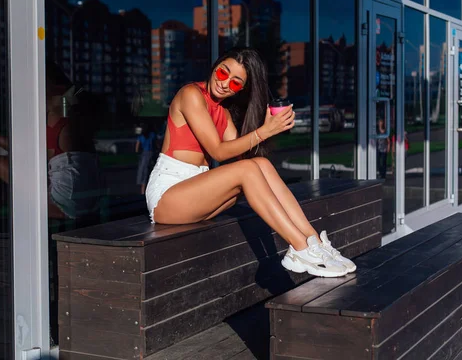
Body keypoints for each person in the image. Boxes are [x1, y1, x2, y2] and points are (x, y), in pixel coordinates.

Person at [146, 48, 355, 278]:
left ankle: (313, 241)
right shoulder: (191, 94)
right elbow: (218, 151)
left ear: (241, 89)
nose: (225, 84)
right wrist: (262, 132)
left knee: (260, 164)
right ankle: (299, 248)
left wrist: (269, 129)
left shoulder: (223, 113)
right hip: (167, 196)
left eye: (235, 83)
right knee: (249, 169)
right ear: (216, 66)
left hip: (195, 193)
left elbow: (243, 159)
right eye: (223, 72)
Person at [0, 62, 101, 226]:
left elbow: (28, 154)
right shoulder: (73, 107)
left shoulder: (57, 113)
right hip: (87, 200)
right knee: (7, 180)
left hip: (69, 204)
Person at [135, 123, 157, 194]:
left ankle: (142, 190)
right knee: (150, 171)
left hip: (144, 154)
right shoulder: (152, 135)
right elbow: (155, 144)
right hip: (151, 154)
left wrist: (138, 152)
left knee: (143, 171)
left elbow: (137, 148)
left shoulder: (141, 136)